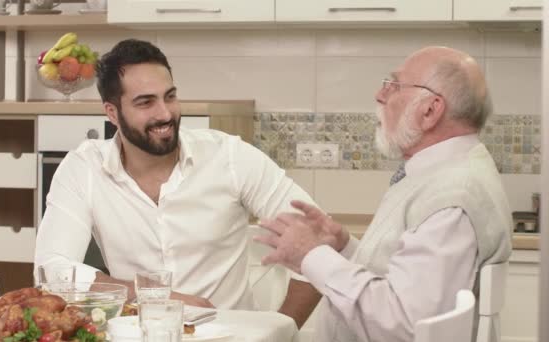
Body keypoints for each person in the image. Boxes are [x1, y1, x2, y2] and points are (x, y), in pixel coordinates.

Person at [33, 38, 321, 327]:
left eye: (169, 96)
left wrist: (283, 330)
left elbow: (319, 240)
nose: (165, 113)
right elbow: (51, 269)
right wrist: (151, 296)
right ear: (112, 113)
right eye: (145, 102)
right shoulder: (84, 168)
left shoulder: (230, 157)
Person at [255, 46, 513, 342]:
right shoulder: (444, 174)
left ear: (430, 110)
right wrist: (345, 248)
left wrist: (311, 256)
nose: (380, 95)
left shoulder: (452, 198)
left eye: (394, 85)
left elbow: (403, 324)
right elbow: (402, 283)